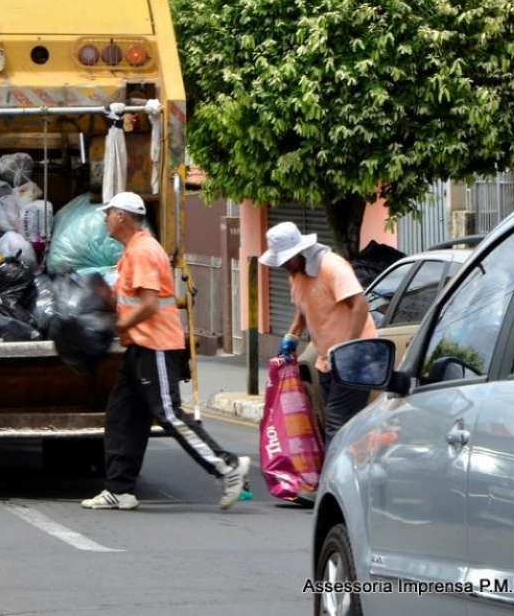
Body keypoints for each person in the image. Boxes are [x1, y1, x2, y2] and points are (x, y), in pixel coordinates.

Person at [81, 192, 250, 511]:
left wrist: (116, 327)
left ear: (121, 216)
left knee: (169, 413)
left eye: (108, 213)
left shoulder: (144, 250)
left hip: (155, 345)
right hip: (139, 347)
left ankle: (226, 466)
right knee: (122, 416)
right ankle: (119, 489)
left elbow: (147, 304)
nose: (105, 218)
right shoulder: (133, 250)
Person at [259, 221, 377, 446]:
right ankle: (349, 469)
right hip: (327, 359)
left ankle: (332, 477)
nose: (282, 265)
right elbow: (304, 307)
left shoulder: (332, 267)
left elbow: (360, 305)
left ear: (300, 251)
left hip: (357, 356)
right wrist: (291, 337)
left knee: (338, 421)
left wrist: (347, 349)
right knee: (335, 420)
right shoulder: (295, 274)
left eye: (286, 259)